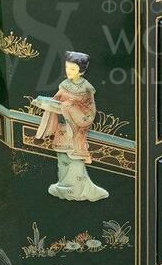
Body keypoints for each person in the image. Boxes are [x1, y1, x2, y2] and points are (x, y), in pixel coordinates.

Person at [33, 51, 109, 202]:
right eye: (67, 67)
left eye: (73, 68)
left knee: (74, 162)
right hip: (62, 128)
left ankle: (77, 191)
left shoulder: (86, 89)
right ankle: (63, 187)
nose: (69, 71)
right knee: (62, 160)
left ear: (82, 70)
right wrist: (44, 103)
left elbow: (89, 113)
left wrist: (70, 107)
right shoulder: (64, 85)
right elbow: (56, 101)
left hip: (75, 130)